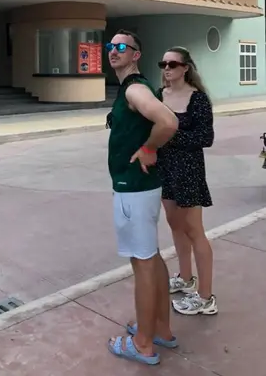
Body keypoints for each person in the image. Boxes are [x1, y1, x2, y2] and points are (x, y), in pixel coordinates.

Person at [106, 30, 179, 367]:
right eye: (110, 46)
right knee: (152, 257)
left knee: (143, 263)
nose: (113, 51)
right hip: (142, 188)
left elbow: (168, 122)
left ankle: (143, 343)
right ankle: (160, 328)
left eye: (121, 47)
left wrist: (149, 148)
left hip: (134, 188)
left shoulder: (134, 89)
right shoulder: (133, 88)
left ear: (135, 54)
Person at [156, 46, 217, 316]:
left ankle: (206, 297)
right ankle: (185, 277)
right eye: (163, 64)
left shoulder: (198, 99)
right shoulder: (158, 96)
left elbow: (205, 137)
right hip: (164, 169)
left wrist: (169, 135)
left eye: (172, 64)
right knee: (175, 225)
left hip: (188, 171)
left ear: (185, 68)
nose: (167, 69)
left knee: (194, 230)